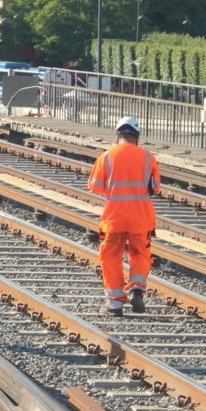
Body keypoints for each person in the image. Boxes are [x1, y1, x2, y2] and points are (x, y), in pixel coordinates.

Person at [87, 116, 161, 316]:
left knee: (110, 256)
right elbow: (154, 187)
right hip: (141, 217)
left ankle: (115, 304)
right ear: (137, 137)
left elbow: (96, 187)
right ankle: (137, 287)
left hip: (115, 217)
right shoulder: (148, 158)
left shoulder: (107, 156)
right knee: (140, 253)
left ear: (117, 135)